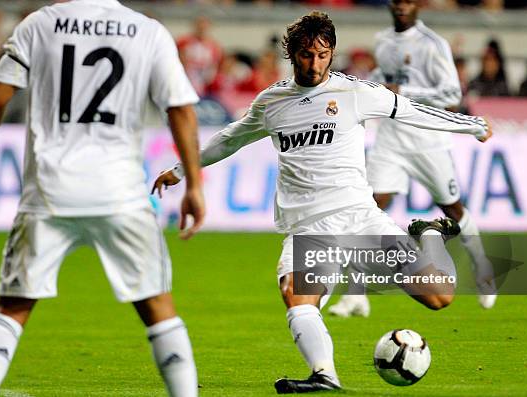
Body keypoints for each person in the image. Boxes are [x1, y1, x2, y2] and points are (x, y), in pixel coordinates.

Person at [153, 11, 491, 393]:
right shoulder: (272, 102)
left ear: (332, 54)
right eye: (306, 55)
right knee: (295, 294)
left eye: (322, 55)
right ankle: (324, 375)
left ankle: (429, 232)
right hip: (310, 229)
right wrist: (181, 170)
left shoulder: (354, 94)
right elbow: (229, 138)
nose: (314, 64)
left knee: (439, 296)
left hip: (360, 220)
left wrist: (471, 125)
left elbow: (412, 110)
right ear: (292, 53)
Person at [0, 1, 204, 396]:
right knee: (157, 307)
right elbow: (179, 108)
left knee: (12, 307)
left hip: (49, 189)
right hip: (120, 192)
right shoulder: (147, 31)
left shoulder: (38, 25)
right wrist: (194, 184)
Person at [328, 0, 497, 318]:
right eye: (396, 1)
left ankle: (483, 267)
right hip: (391, 137)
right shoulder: (383, 40)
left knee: (452, 208)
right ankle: (356, 295)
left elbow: (450, 94)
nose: (402, 6)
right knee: (370, 208)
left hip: (428, 140)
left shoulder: (433, 45)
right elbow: (382, 79)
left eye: (408, 1)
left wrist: (402, 91)